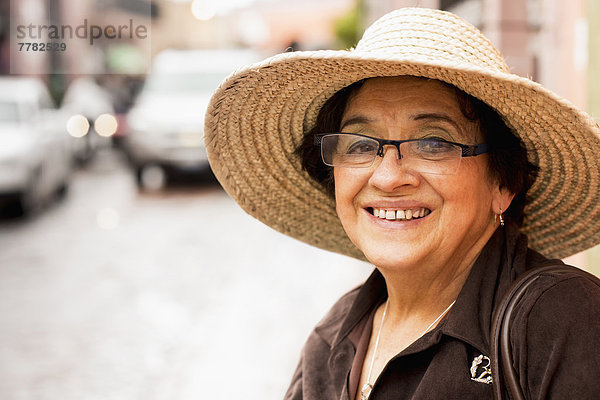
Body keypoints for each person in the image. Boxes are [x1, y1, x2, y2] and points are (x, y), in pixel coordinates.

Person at [204, 7, 600, 400]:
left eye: (433, 143)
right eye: (360, 145)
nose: (389, 177)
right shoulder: (332, 339)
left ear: (503, 183)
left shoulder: (565, 320)